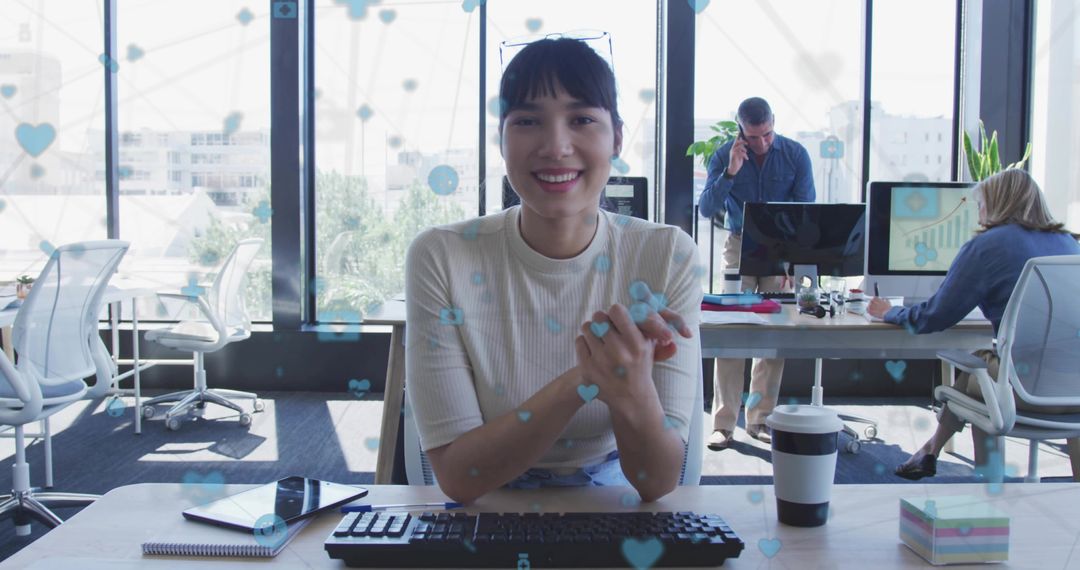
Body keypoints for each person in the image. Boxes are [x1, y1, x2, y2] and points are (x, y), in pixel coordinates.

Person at [404, 37, 703, 505]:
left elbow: (657, 480)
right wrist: (587, 376)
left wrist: (632, 387)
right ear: (500, 137)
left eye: (582, 119)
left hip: (615, 499)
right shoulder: (441, 256)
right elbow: (460, 478)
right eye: (527, 121)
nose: (556, 146)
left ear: (617, 138)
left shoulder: (666, 255)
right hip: (486, 504)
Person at [865, 169, 1080, 480]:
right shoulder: (1069, 244)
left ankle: (988, 489)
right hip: (1072, 392)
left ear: (997, 204)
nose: (979, 215)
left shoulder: (989, 244)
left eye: (980, 205)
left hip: (1022, 393)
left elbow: (933, 317)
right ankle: (929, 450)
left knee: (977, 368)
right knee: (986, 369)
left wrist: (889, 313)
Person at [697, 97, 815, 449]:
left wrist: (795, 261)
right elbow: (706, 209)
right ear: (740, 131)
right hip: (739, 243)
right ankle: (724, 424)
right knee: (729, 331)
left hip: (780, 248)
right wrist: (731, 172)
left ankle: (761, 418)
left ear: (773, 123)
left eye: (766, 134)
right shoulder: (723, 156)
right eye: (753, 137)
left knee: (772, 337)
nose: (761, 143)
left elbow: (806, 213)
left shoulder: (795, 155)